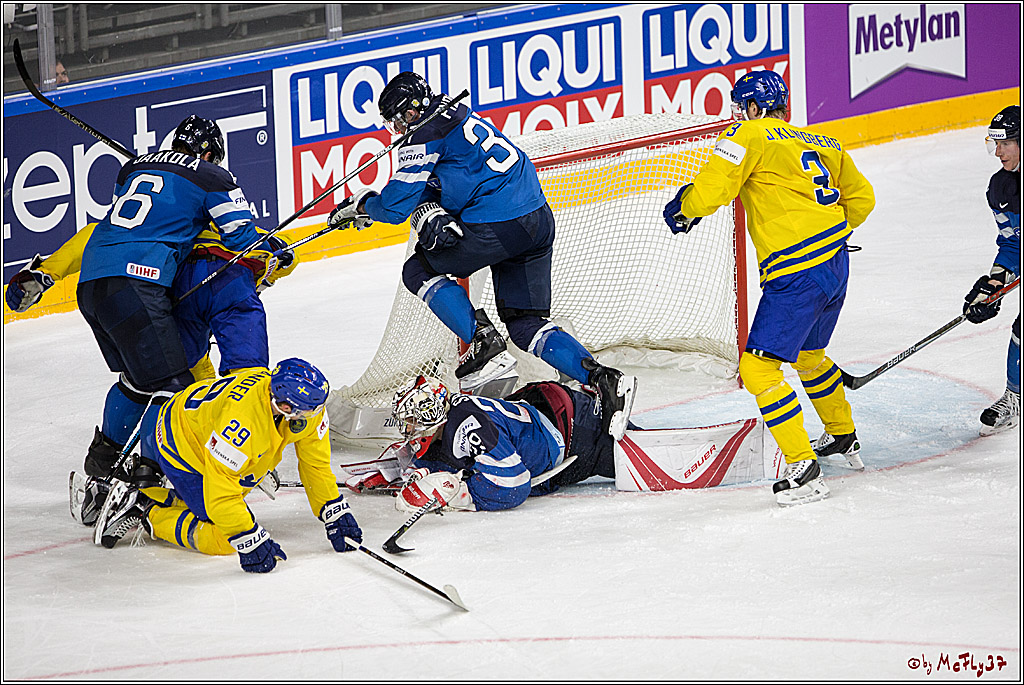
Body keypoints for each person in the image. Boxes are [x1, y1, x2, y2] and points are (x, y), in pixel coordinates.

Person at [325, 71, 636, 441]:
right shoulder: (455, 112)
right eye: (391, 122)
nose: (397, 127)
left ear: (415, 109)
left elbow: (394, 207)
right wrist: (429, 207)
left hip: (498, 224)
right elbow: (454, 177)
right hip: (536, 219)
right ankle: (604, 380)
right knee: (525, 324)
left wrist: (363, 205)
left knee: (419, 269)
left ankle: (481, 339)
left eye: (399, 117)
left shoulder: (423, 133)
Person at [662, 70, 876, 507]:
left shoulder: (750, 132)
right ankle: (841, 436)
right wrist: (829, 230)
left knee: (759, 369)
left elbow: (714, 188)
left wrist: (685, 208)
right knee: (809, 357)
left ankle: (804, 468)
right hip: (836, 263)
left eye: (742, 108)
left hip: (797, 272)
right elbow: (863, 198)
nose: (738, 116)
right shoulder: (823, 142)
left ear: (755, 108)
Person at [6, 219, 297, 525]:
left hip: (170, 293)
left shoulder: (163, 214)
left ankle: (109, 470)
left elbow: (96, 236)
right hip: (227, 288)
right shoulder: (224, 216)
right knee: (239, 380)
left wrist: (45, 272)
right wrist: (281, 251)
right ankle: (196, 463)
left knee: (152, 379)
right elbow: (281, 250)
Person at [75, 115, 265, 515]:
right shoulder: (213, 176)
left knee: (137, 382)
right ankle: (148, 478)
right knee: (173, 386)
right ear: (211, 153)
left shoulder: (134, 168)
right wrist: (278, 250)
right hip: (137, 282)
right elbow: (241, 235)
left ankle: (101, 468)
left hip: (92, 285)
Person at [93, 359, 363, 574]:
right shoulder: (240, 426)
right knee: (222, 536)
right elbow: (222, 493)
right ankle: (144, 507)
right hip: (178, 442)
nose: (311, 418)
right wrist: (248, 538)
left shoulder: (304, 407)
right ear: (280, 405)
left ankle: (154, 499)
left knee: (234, 500)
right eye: (303, 412)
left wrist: (333, 511)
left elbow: (315, 464)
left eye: (313, 410)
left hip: (197, 425)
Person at [962, 104, 1020, 435]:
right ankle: (1015, 396)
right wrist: (993, 284)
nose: (998, 152)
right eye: (995, 144)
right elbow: (1013, 244)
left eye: (1006, 144)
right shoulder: (1000, 188)